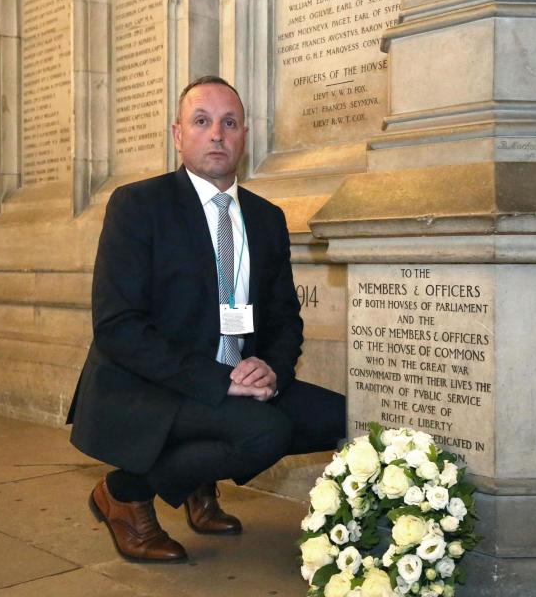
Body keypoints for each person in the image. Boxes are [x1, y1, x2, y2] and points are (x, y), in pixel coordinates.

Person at [67, 75, 345, 562]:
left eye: (229, 122)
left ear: (243, 136)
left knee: (339, 418)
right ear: (178, 135)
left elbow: (284, 316)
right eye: (202, 121)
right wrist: (220, 382)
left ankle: (199, 483)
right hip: (152, 383)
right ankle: (124, 494)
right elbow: (117, 325)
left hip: (235, 374)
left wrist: (271, 368)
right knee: (266, 432)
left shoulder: (266, 217)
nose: (216, 133)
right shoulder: (139, 206)